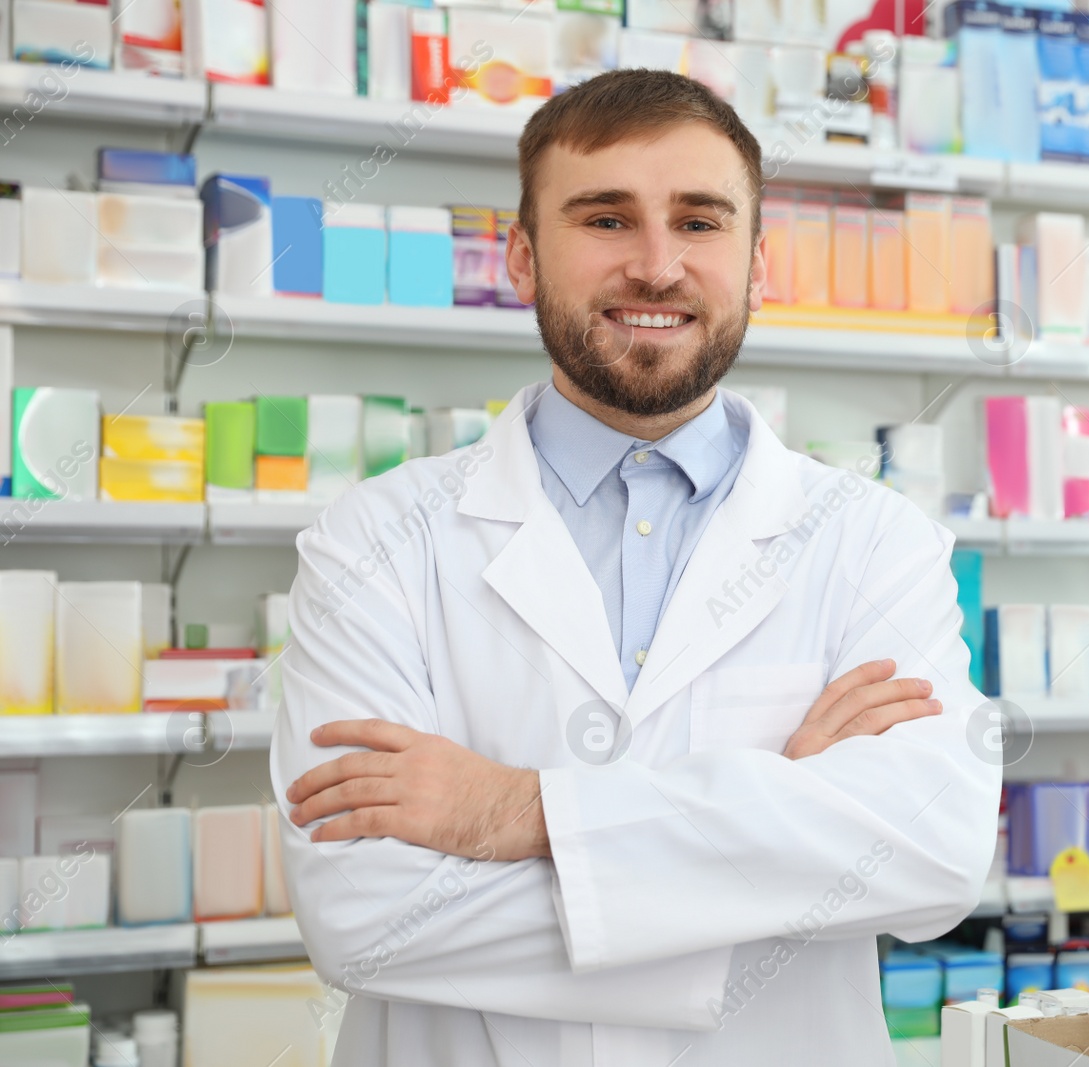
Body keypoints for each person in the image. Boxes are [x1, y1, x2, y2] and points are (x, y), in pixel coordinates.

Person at [270, 68, 1001, 1067]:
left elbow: (931, 851)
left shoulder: (873, 541)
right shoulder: (376, 541)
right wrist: (776, 809)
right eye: (606, 219)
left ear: (755, 264)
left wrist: (514, 810)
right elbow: (363, 915)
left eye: (699, 222)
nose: (656, 267)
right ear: (523, 257)